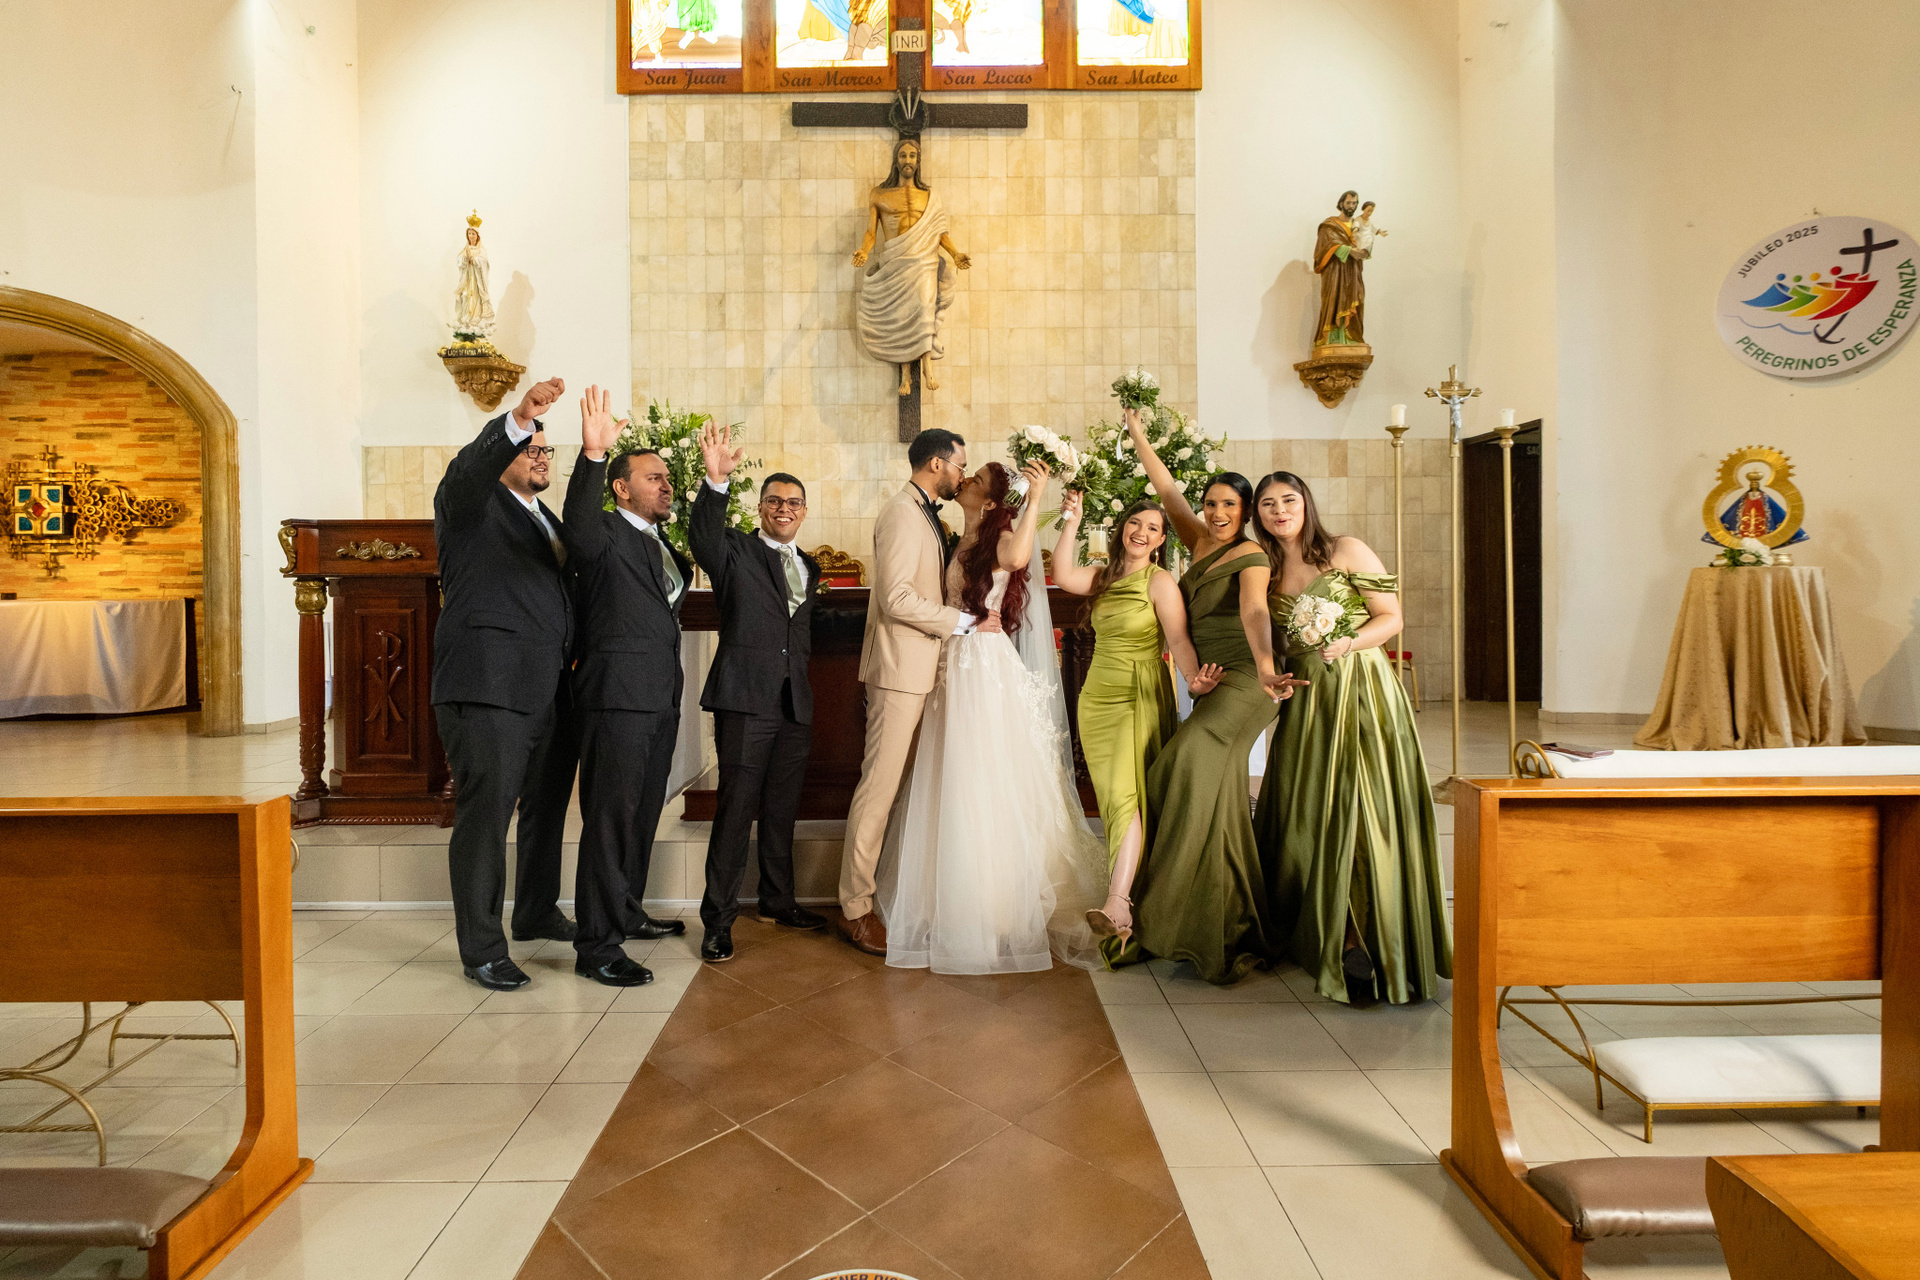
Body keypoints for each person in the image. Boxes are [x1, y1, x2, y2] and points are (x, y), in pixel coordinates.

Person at [876, 461, 1107, 974]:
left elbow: (1020, 556)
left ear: (989, 500)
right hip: (951, 662)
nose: (966, 480)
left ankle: (995, 907)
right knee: (948, 775)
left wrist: (1036, 497)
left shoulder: (1001, 537)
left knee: (980, 776)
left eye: (976, 478)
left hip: (982, 665)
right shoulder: (960, 535)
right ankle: (946, 898)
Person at [1115, 408, 1301, 984]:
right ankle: (1224, 921)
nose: (1219, 513)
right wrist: (1137, 435)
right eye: (1212, 503)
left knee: (1182, 762)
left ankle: (1161, 912)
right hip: (1212, 681)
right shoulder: (1196, 539)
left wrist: (1267, 669)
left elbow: (1253, 611)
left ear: (1246, 513)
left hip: (1248, 680)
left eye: (1230, 505)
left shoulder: (1251, 556)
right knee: (1213, 792)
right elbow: (1166, 487)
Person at [1252, 471, 1452, 1005]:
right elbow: (1266, 634)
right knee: (1312, 809)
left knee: (1363, 806)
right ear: (1258, 514)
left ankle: (1368, 939)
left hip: (1361, 690)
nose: (1279, 511)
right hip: (1309, 700)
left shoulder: (1345, 550)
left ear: (1305, 504)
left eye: (1288, 500)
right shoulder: (1264, 568)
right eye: (1267, 504)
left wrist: (1347, 642)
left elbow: (1391, 618)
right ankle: (1321, 930)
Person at [430, 376, 580, 992]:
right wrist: (518, 417)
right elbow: (471, 468)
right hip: (488, 684)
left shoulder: (546, 518)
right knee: (487, 817)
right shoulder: (470, 502)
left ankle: (536, 909)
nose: (541, 457)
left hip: (547, 686)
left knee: (547, 806)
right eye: (530, 448)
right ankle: (483, 949)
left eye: (546, 449)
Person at [838, 428, 1000, 956]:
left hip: (925, 670)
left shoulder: (927, 513)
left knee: (903, 789)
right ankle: (855, 908)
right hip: (899, 671)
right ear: (936, 463)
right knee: (879, 789)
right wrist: (964, 622)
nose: (962, 475)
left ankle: (890, 894)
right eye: (960, 465)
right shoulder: (902, 513)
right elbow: (897, 598)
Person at [561, 386, 698, 988]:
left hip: (658, 696)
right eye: (654, 478)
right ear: (620, 488)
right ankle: (597, 945)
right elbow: (576, 523)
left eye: (668, 478)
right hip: (615, 696)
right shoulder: (601, 533)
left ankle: (627, 910)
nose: (667, 486)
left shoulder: (660, 543)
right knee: (611, 819)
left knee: (642, 814)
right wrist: (592, 454)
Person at [1051, 493, 1221, 956]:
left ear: (1161, 540)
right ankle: (1126, 894)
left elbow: (1178, 640)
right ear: (1121, 528)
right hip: (1096, 699)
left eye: (1152, 528)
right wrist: (1072, 520)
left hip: (1137, 694)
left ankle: (1119, 902)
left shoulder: (1159, 581)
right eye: (1135, 523)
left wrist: (1193, 681)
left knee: (1127, 796)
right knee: (1112, 797)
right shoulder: (1104, 576)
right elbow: (1062, 575)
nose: (1141, 532)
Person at [688, 422, 829, 963]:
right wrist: (715, 481)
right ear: (762, 508)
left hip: (794, 704)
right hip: (745, 701)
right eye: (774, 501)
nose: (783, 509)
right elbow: (702, 537)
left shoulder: (809, 566)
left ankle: (778, 900)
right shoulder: (735, 550)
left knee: (781, 810)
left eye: (793, 502)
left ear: (804, 511)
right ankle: (718, 923)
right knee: (735, 811)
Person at [852, 138, 971, 397]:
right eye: (903, 156)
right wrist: (864, 250)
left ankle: (928, 366)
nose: (908, 160)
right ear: (896, 161)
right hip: (896, 261)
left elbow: (940, 232)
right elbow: (871, 232)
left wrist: (955, 253)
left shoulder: (929, 197)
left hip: (924, 260)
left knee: (924, 307)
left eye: (912, 156)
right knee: (901, 315)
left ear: (918, 161)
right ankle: (905, 374)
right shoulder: (879, 195)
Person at [1314, 189, 1368, 347]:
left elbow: (1366, 241)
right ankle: (1332, 338)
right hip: (1335, 272)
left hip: (1353, 271)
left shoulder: (1359, 225)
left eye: (1354, 203)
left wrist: (1364, 251)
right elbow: (1325, 246)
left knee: (1356, 299)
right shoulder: (1329, 225)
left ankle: (1351, 338)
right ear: (1341, 204)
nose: (1351, 206)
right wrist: (1348, 250)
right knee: (1335, 300)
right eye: (1348, 202)